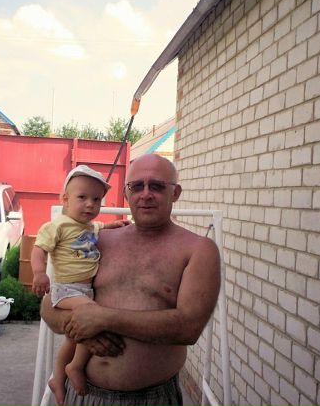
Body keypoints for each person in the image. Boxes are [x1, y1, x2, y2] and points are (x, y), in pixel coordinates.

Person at [41, 154, 221, 406]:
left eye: (156, 186)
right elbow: (49, 304)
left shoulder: (198, 250)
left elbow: (188, 328)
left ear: (175, 193)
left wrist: (104, 319)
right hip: (82, 395)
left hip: (151, 400)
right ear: (126, 193)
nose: (145, 194)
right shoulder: (99, 241)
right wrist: (83, 333)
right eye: (136, 186)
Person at [31, 165, 128, 406]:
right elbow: (39, 248)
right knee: (93, 316)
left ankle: (57, 378)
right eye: (82, 197)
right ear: (65, 199)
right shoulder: (58, 225)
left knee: (73, 340)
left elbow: (100, 227)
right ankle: (75, 366)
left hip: (84, 290)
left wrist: (112, 226)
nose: (90, 205)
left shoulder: (90, 227)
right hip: (66, 289)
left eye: (96, 200)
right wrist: (39, 273)